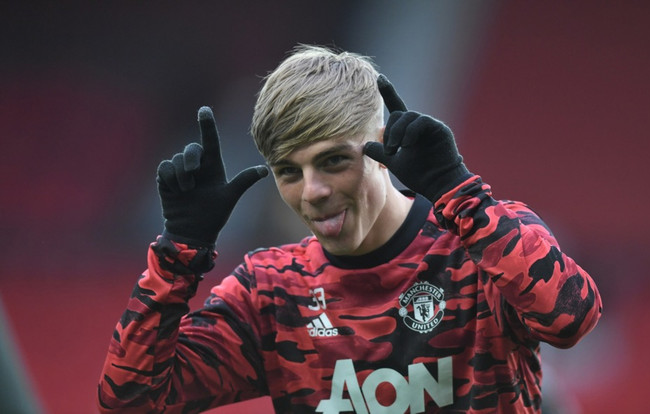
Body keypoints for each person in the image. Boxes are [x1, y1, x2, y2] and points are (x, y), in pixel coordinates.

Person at [97, 45, 602, 413]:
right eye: (289, 172)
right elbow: (130, 401)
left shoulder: (480, 245)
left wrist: (459, 190)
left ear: (382, 147)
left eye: (333, 160)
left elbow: (572, 320)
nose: (312, 191)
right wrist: (179, 254)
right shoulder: (270, 292)